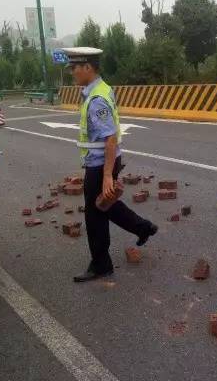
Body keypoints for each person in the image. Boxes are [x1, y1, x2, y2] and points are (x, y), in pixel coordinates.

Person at [63, 47, 158, 283]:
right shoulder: (99, 89)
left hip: (101, 164)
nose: (72, 73)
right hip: (103, 161)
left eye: (74, 68)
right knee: (104, 204)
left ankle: (101, 264)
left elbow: (111, 137)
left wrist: (106, 175)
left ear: (87, 68)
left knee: (95, 215)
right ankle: (143, 227)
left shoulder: (97, 99)